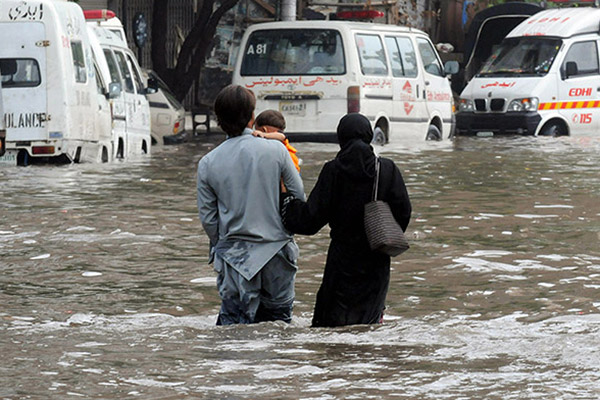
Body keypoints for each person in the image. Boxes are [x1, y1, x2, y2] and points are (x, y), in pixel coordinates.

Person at [280, 113, 411, 327]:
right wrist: (381, 232)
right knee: (368, 326)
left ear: (341, 136)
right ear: (369, 135)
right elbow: (403, 213)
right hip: (376, 259)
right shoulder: (387, 169)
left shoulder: (333, 171)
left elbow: (309, 220)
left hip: (341, 262)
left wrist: (286, 199)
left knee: (330, 327)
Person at [196, 84, 305, 325]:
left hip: (235, 259)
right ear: (252, 116)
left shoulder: (208, 162)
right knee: (279, 327)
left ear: (219, 119)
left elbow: (209, 220)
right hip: (277, 253)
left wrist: (224, 246)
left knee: (233, 332)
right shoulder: (277, 150)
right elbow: (298, 197)